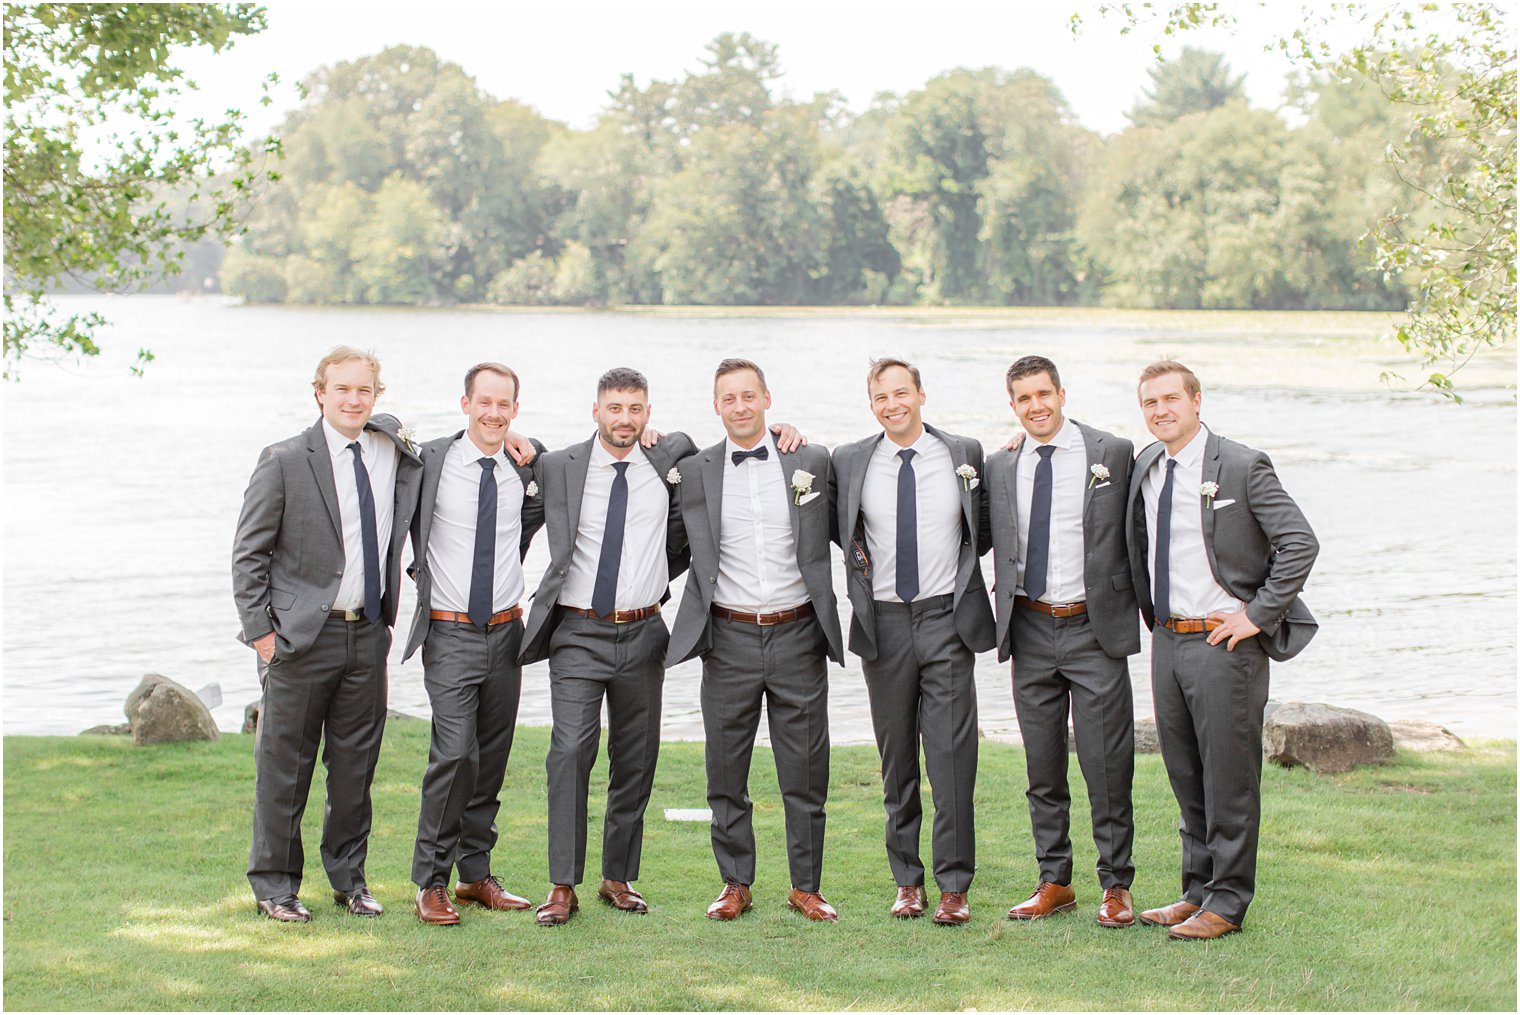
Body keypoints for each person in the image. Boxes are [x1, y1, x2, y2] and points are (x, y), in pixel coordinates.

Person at [1126, 360, 1319, 940]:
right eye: (1150, 403)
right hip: (1167, 639)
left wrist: (1255, 615)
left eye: (1170, 399)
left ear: (1196, 401)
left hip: (1223, 646)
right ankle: (1196, 891)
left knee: (1229, 778)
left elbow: (1299, 543)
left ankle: (1228, 903)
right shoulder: (1145, 466)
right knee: (1186, 774)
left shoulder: (1240, 465)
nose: (1160, 411)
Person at [232, 346, 422, 922]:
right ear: (320, 392)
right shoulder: (285, 458)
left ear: (376, 395)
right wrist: (263, 637)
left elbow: (460, 450)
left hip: (367, 635)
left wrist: (522, 444)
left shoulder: (393, 450)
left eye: (363, 390)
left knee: (355, 770)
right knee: (284, 768)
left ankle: (349, 880)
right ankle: (274, 886)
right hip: (299, 641)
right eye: (341, 389)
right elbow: (248, 555)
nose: (352, 399)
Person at [665, 358, 844, 923]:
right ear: (715, 406)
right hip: (728, 638)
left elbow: (857, 522)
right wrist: (651, 433)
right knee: (725, 770)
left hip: (797, 635)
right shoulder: (694, 470)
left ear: (768, 398)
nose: (740, 407)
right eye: (729, 399)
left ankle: (806, 886)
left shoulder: (810, 460)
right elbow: (642, 465)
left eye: (749, 396)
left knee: (806, 770)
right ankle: (735, 882)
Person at [519, 367, 696, 926]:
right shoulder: (559, 466)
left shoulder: (667, 462)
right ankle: (562, 884)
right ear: (595, 410)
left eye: (635, 409)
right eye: (614, 407)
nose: (625, 418)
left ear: (648, 413)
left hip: (644, 633)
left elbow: (693, 452)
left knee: (636, 758)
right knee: (570, 752)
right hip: (577, 631)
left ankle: (617, 877)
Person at [830, 357, 994, 925]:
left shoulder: (964, 454)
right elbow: (833, 528)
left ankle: (953, 884)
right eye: (881, 396)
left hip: (948, 618)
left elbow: (986, 530)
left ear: (922, 394)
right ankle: (907, 881)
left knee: (951, 757)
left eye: (902, 392)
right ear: (870, 403)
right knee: (896, 756)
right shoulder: (849, 461)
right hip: (886, 623)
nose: (893, 404)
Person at [985, 355, 1141, 928]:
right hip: (1027, 628)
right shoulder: (1000, 465)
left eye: (1043, 394)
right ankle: (1054, 880)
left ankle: (1116, 885)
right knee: (1042, 767)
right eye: (1023, 399)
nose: (1036, 406)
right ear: (1013, 406)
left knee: (1107, 764)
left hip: (1093, 630)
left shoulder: (1112, 453)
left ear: (1062, 393)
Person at [403, 363, 546, 925]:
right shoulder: (431, 461)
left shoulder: (525, 469)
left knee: (490, 759)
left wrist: (527, 443)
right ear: (464, 403)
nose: (493, 413)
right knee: (455, 752)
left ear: (515, 407)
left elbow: (573, 466)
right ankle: (430, 882)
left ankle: (475, 875)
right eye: (483, 402)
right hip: (450, 631)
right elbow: (381, 426)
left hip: (507, 633)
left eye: (504, 404)